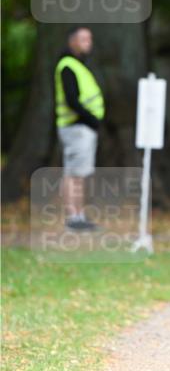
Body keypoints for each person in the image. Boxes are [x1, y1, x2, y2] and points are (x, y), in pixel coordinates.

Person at [54, 26, 105, 230]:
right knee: (74, 174)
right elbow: (71, 100)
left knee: (78, 174)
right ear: (72, 41)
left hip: (80, 128)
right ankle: (74, 218)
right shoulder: (68, 66)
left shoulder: (77, 65)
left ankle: (79, 216)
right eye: (84, 39)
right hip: (76, 128)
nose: (88, 43)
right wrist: (91, 119)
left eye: (90, 39)